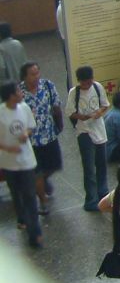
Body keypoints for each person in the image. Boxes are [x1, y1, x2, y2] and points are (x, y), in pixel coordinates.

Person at [0, 80, 41, 247]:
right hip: (9, 162)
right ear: (10, 95)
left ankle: (35, 232)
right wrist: (8, 148)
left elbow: (31, 126)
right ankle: (22, 217)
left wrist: (26, 133)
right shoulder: (1, 113)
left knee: (30, 195)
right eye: (17, 90)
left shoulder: (24, 108)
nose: (21, 92)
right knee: (16, 194)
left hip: (26, 160)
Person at [19, 61, 62, 215]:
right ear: (24, 77)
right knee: (37, 172)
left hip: (49, 134)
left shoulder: (47, 86)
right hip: (31, 140)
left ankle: (42, 181)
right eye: (32, 74)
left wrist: (59, 124)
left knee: (54, 165)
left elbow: (56, 105)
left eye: (38, 73)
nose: (36, 76)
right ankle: (43, 201)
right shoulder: (19, 93)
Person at [69, 64, 110, 211]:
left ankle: (103, 193)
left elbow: (105, 105)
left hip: (99, 129)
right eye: (84, 83)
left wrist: (99, 112)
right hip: (84, 131)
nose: (87, 85)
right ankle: (91, 199)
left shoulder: (98, 87)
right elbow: (70, 112)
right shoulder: (74, 93)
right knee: (89, 167)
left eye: (89, 81)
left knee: (101, 163)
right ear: (79, 81)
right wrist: (83, 117)